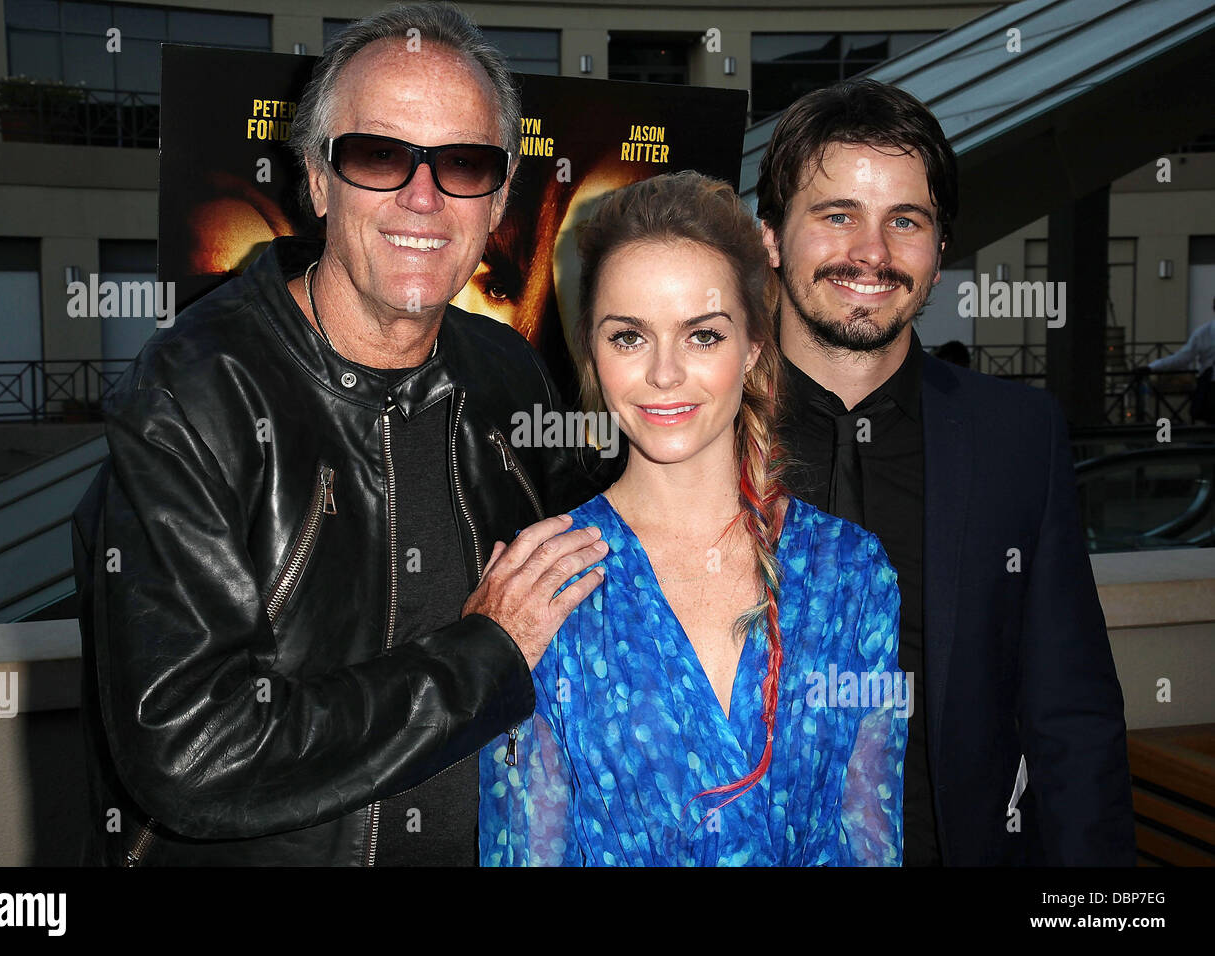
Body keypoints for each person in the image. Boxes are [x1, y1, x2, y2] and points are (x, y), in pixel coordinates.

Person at [71, 3, 608, 867]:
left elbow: (598, 576)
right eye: (378, 155)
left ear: (500, 196)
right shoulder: (193, 394)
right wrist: (485, 657)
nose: (422, 198)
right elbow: (193, 756)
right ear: (316, 181)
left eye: (464, 163)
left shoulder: (509, 372)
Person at [755, 78, 1134, 865]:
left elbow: (1071, 716)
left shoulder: (1015, 438)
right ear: (770, 239)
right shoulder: (691, 429)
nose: (872, 253)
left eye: (906, 221)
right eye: (836, 216)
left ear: (939, 252)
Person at [479, 170, 907, 867]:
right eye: (629, 337)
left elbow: (871, 834)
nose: (666, 373)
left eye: (702, 336)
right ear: (592, 353)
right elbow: (521, 848)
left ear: (754, 349)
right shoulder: (541, 584)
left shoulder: (852, 576)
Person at [1138, 311, 1215, 423]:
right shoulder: (1204, 333)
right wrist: (1153, 367)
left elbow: (1182, 358)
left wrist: (1152, 367)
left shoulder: (1204, 333)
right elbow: (1181, 358)